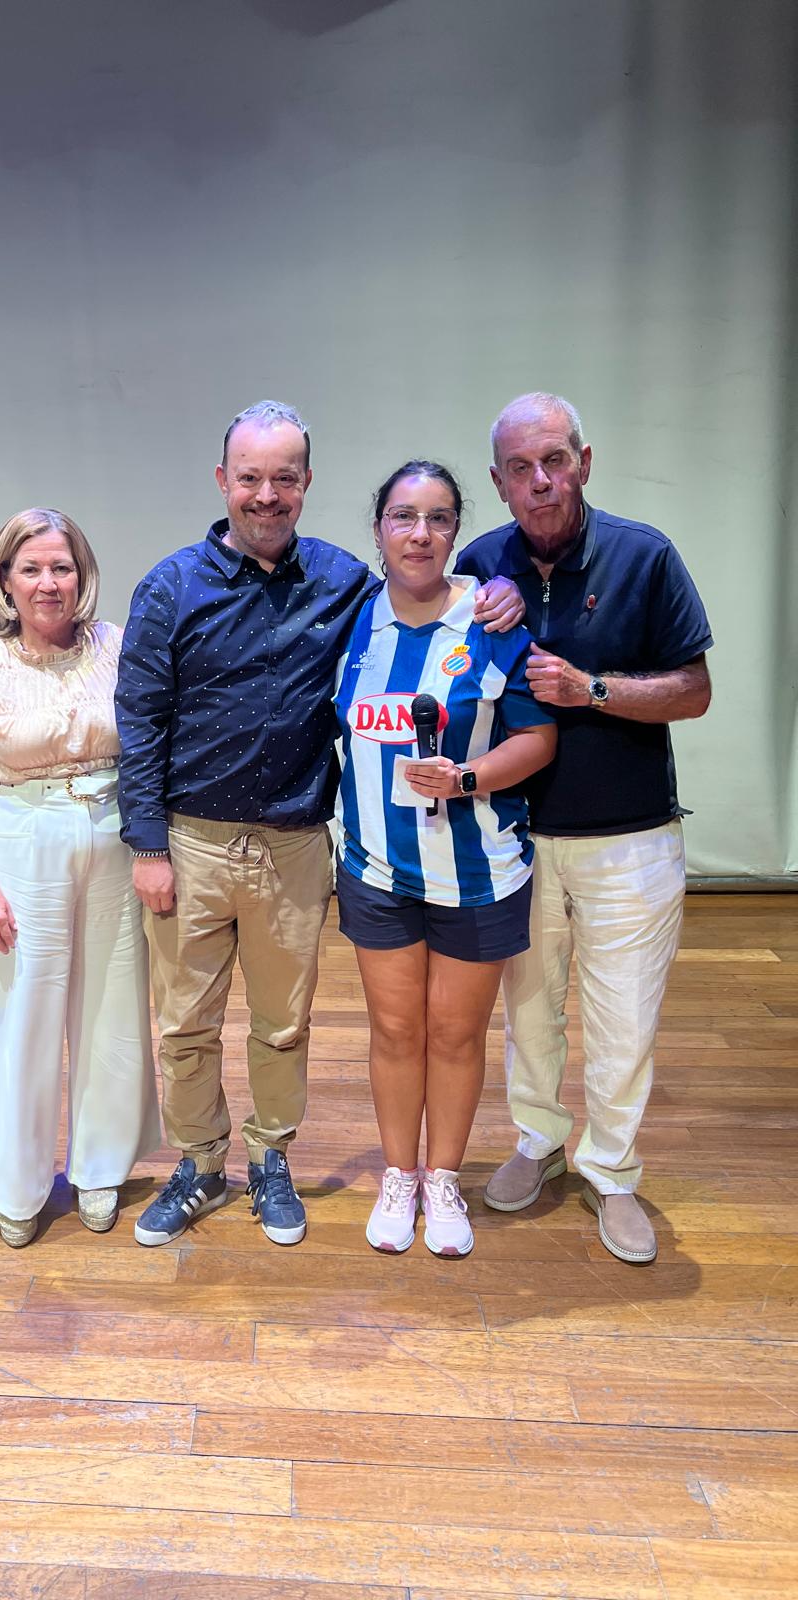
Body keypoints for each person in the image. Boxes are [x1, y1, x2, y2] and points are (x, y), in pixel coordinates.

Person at [116, 401, 524, 1249]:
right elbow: (139, 719)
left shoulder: (344, 584)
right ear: (222, 480)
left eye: (284, 478)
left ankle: (271, 1158)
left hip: (296, 847)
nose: (266, 495)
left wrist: (501, 588)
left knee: (283, 1024)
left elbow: (428, 587)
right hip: (189, 844)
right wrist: (148, 844)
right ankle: (198, 1163)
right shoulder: (169, 586)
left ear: (306, 484)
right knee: (184, 1025)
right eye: (250, 478)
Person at [456, 392, 713, 1264]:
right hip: (517, 839)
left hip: (631, 840)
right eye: (520, 468)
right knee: (529, 1015)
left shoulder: (645, 556)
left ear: (584, 463)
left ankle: (613, 1171)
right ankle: (539, 1141)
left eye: (554, 461)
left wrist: (591, 690)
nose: (540, 481)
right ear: (499, 482)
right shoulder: (479, 563)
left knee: (623, 1020)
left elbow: (694, 690)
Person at [334, 461, 556, 1258]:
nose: (420, 534)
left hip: (478, 873)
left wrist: (467, 779)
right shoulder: (350, 622)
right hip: (377, 870)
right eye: (403, 516)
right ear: (379, 529)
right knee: (396, 1030)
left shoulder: (491, 622)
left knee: (456, 1037)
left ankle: (443, 1178)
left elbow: (538, 738)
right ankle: (399, 1175)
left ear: (457, 530)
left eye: (437, 518)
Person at [0, 509, 159, 1247]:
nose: (48, 583)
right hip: (21, 844)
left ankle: (100, 1168)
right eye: (30, 568)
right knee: (21, 1016)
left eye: (61, 567)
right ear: (4, 579)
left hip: (112, 839)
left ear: (82, 574)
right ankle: (16, 1181)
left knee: (112, 1011)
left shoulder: (118, 647)